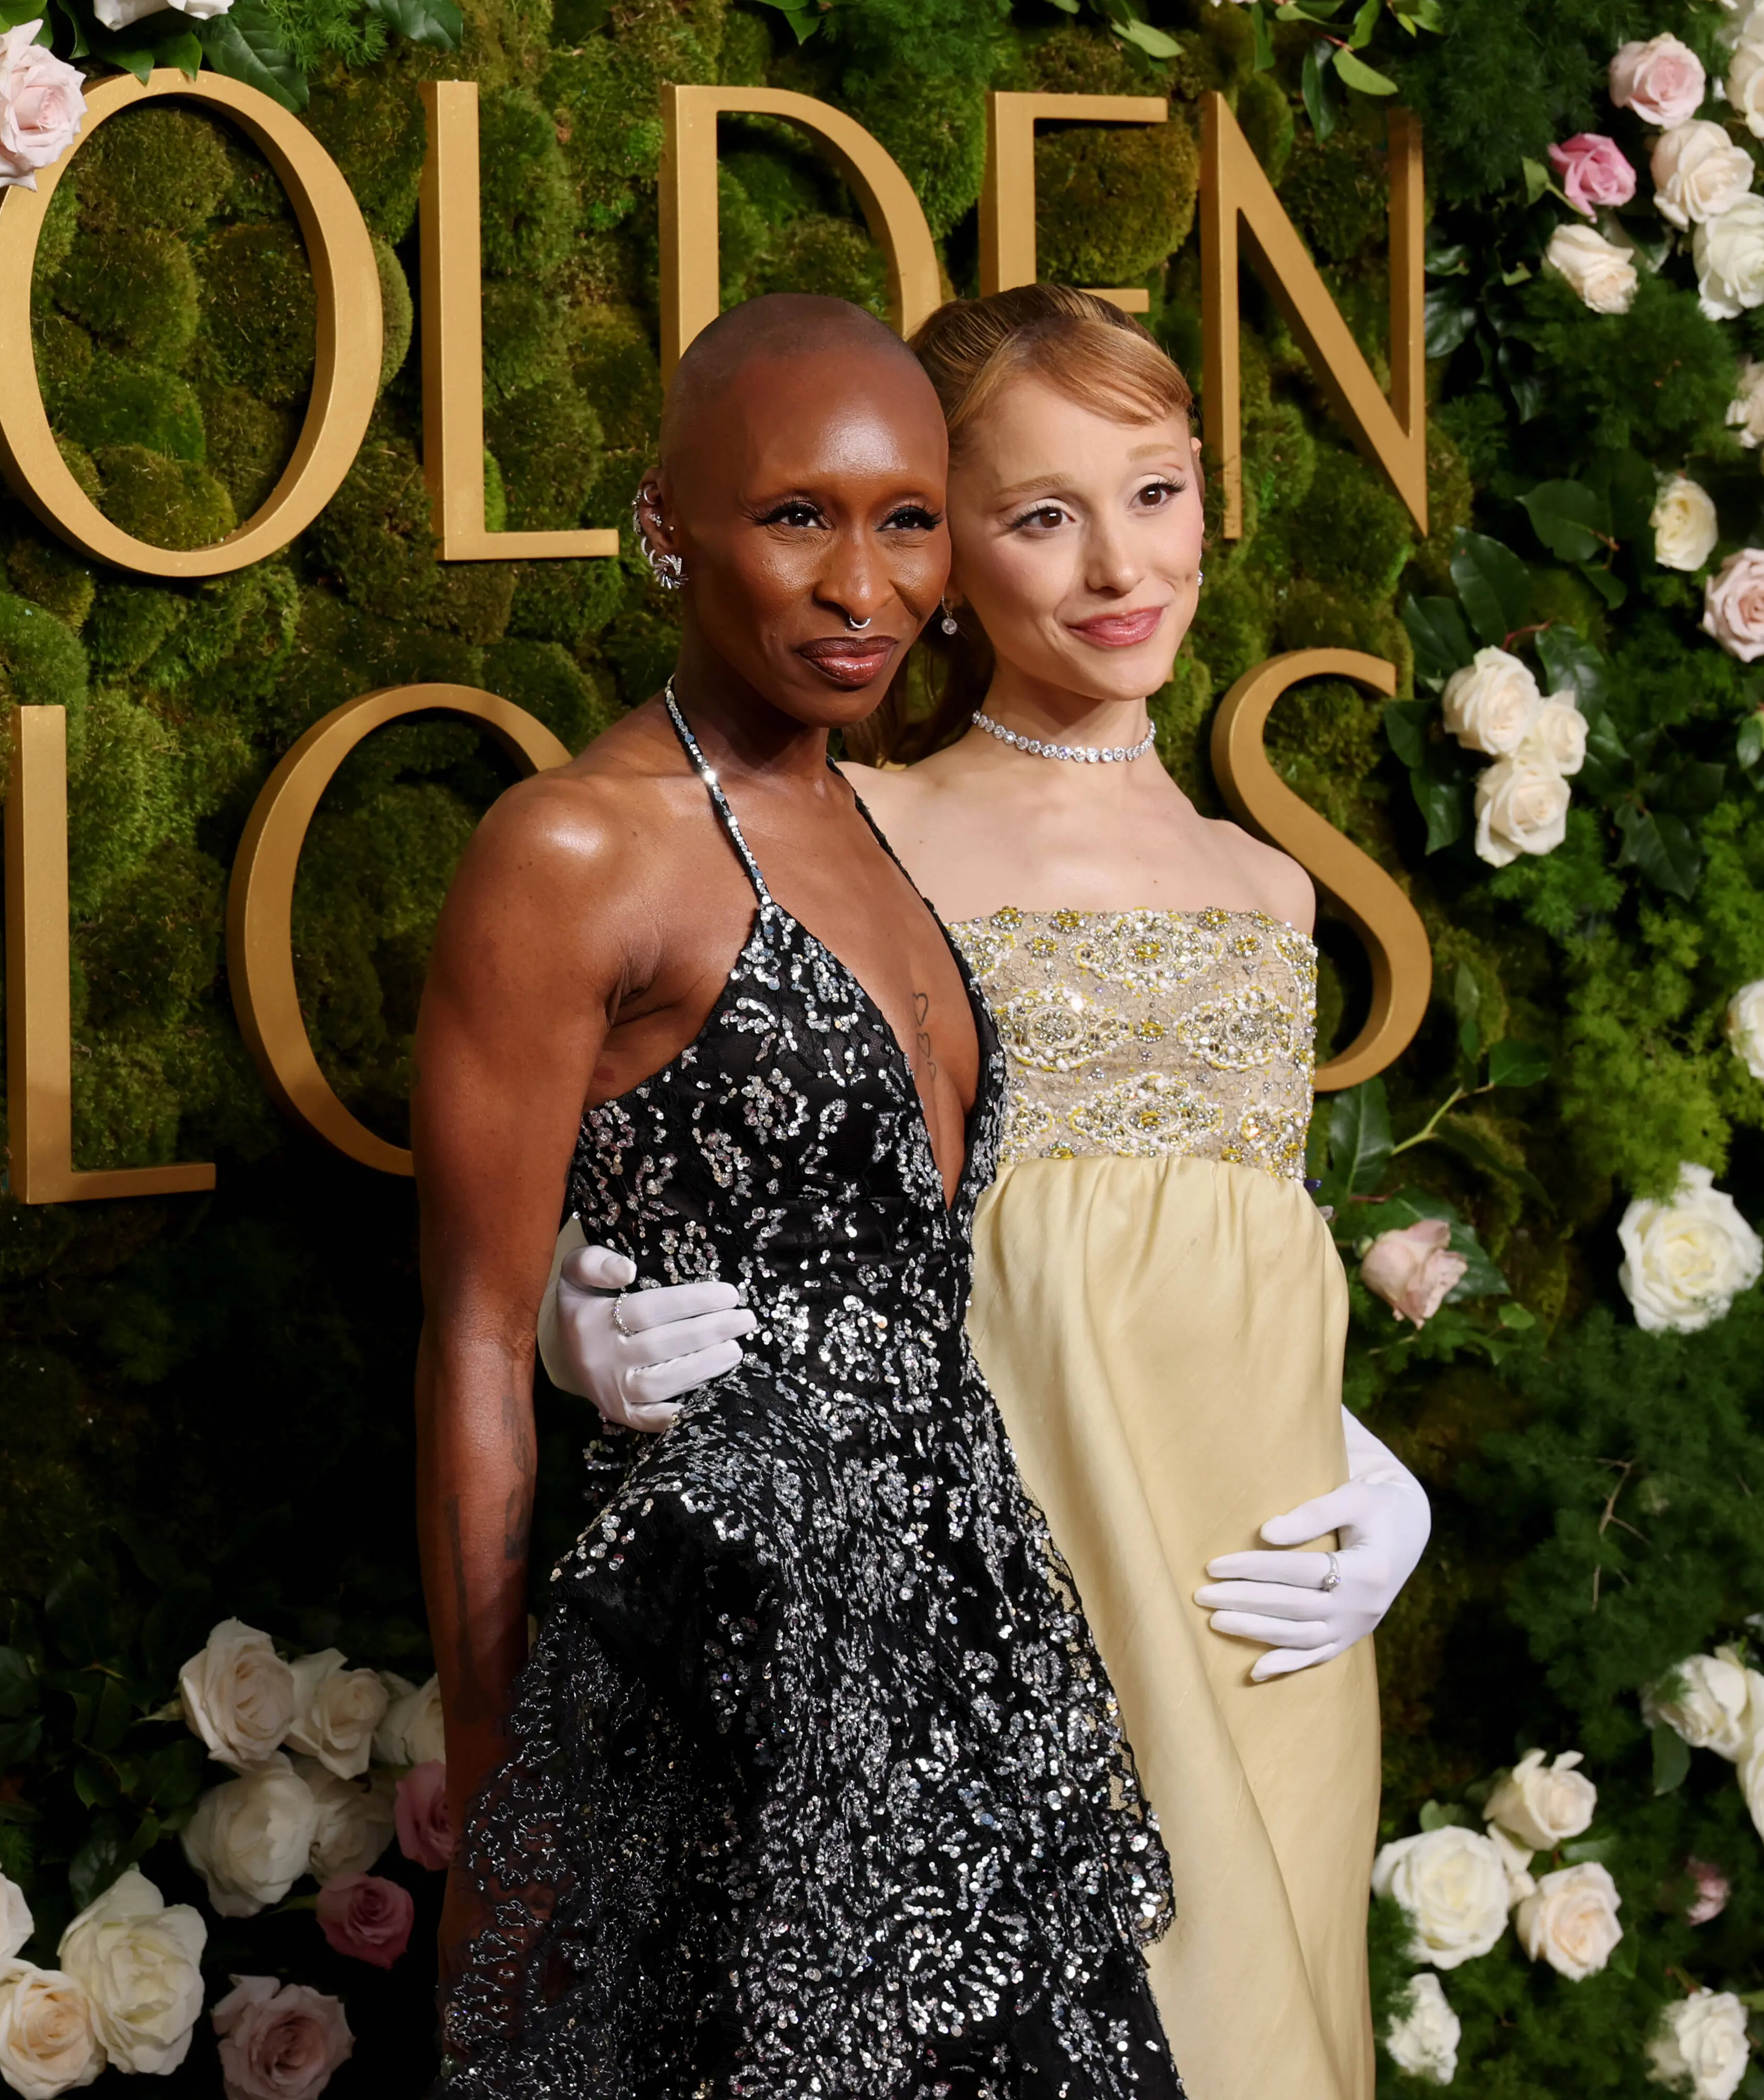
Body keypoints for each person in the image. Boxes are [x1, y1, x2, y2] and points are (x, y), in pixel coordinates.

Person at [544, 284, 1427, 2100]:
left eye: (1160, 491)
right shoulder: (868, 836)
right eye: (1039, 515)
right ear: (944, 553)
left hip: (1268, 1600)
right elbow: (694, 1142)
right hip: (990, 1579)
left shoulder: (1269, 892)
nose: (1121, 564)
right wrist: (577, 1311)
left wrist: (1372, 1468)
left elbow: (1238, 1256)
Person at [411, 291, 1181, 2098]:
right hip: (713, 1678)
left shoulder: (883, 831)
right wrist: (505, 1812)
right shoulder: (576, 849)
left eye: (909, 520)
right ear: (667, 527)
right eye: (796, 519)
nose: (864, 587)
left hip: (954, 1647)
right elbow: (461, 1343)